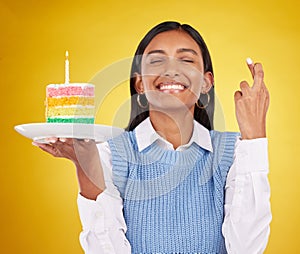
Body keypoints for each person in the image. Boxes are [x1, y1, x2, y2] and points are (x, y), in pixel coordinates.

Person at [34, 21, 271, 254]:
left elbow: (247, 248)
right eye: (157, 61)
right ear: (139, 83)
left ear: (206, 83)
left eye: (186, 60)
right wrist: (86, 167)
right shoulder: (109, 154)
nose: (171, 70)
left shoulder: (235, 153)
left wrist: (255, 137)